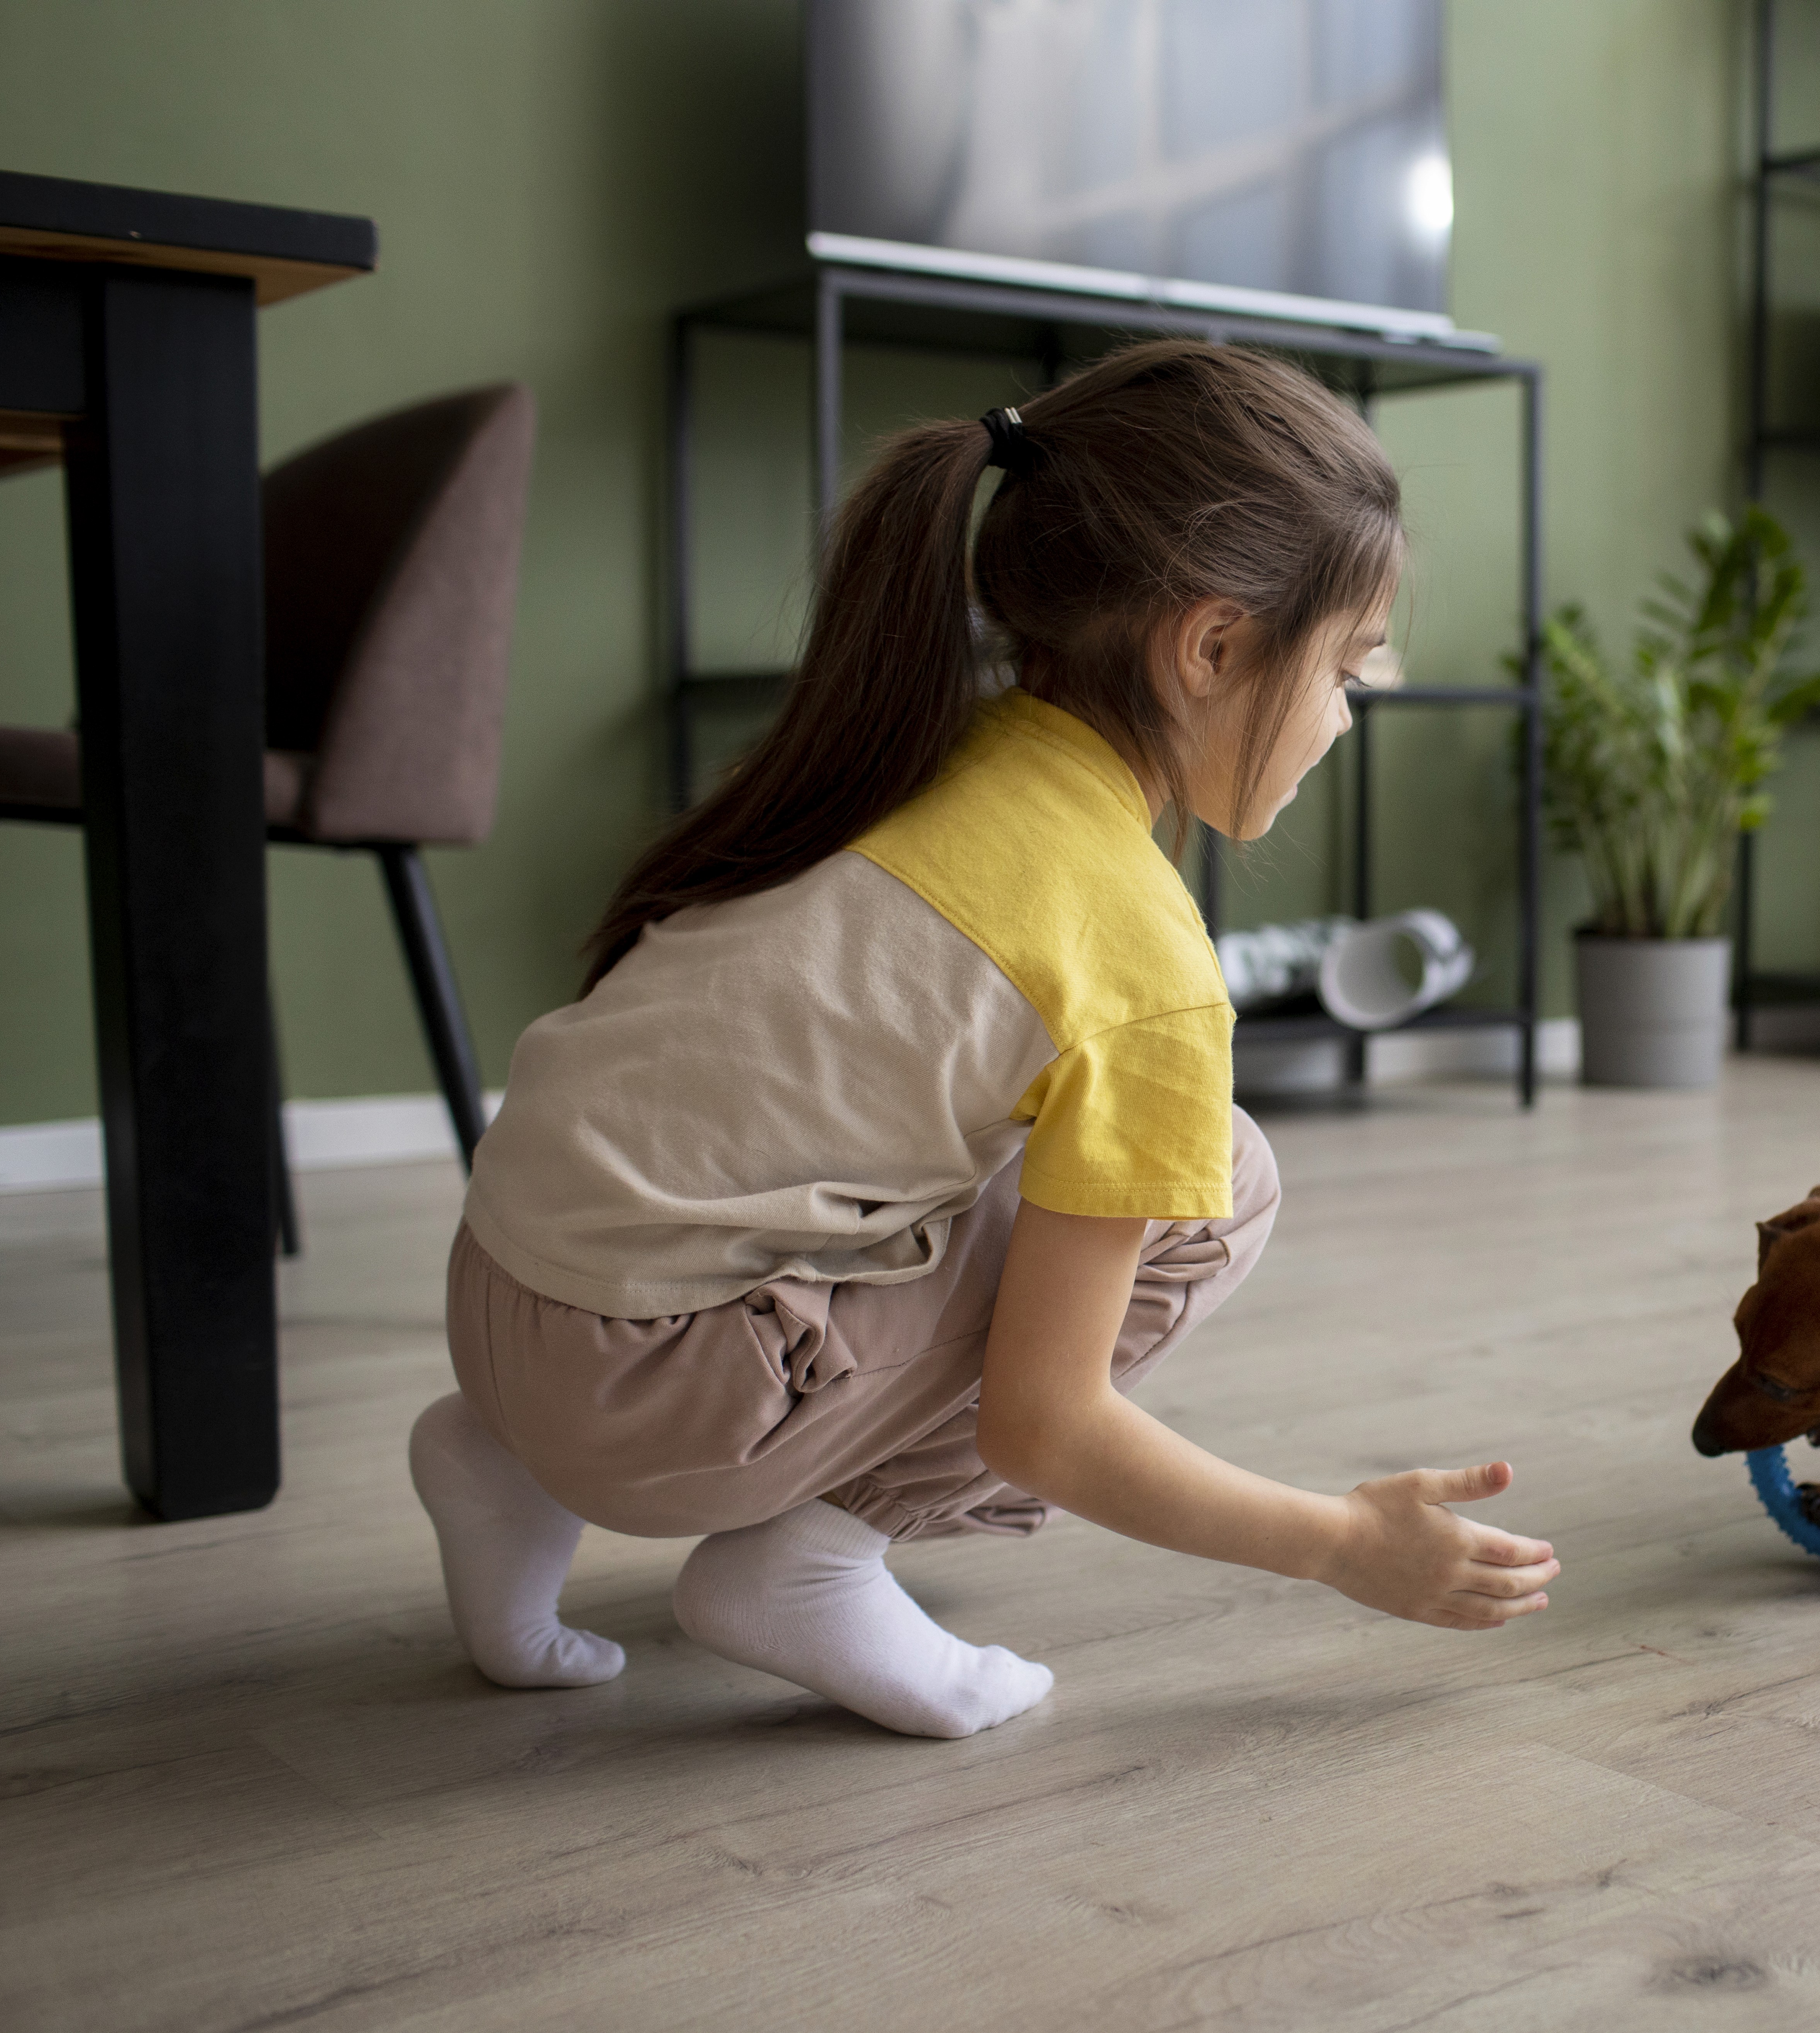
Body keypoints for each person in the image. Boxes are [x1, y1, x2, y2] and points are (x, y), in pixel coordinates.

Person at [409, 340, 1558, 1739]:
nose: (1341, 720)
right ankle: (804, 1564)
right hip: (642, 1400)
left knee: (1074, 1151)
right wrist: (1341, 1542)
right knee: (1223, 1184)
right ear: (1210, 647)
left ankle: (499, 1466)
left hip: (498, 1296)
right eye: (1345, 671)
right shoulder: (1137, 958)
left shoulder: (917, 745)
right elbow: (1045, 1427)